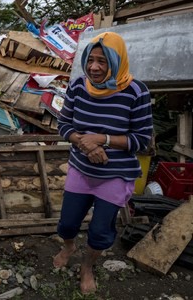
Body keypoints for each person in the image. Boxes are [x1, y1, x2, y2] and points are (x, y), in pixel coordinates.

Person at [53, 32, 153, 294]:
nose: (94, 67)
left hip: (115, 175)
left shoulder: (136, 92)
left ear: (117, 62)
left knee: (100, 232)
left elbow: (143, 140)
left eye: (103, 61)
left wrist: (103, 139)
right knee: (67, 224)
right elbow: (63, 124)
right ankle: (69, 246)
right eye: (91, 60)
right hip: (81, 169)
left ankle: (87, 267)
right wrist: (83, 142)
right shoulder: (77, 86)